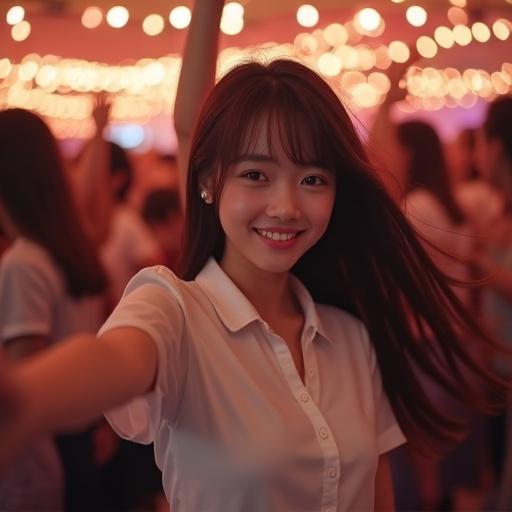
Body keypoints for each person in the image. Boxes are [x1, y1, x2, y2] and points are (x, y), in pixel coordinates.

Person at [0, 108, 108, 510]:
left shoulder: (24, 262)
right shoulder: (69, 248)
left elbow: (27, 381)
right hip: (84, 433)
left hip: (47, 447)